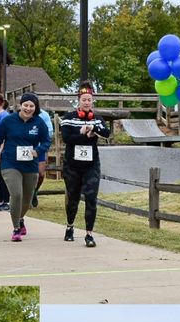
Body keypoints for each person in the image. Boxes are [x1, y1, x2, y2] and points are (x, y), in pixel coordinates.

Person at [0, 92, 51, 242]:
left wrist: (38, 151)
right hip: (10, 162)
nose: (28, 109)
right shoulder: (9, 121)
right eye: (26, 105)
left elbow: (47, 141)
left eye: (31, 106)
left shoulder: (39, 123)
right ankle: (16, 228)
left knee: (27, 199)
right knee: (16, 195)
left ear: (36, 108)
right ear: (20, 106)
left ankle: (21, 218)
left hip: (30, 164)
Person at [61, 85, 111, 247]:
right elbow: (67, 139)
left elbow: (106, 133)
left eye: (89, 100)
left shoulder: (96, 118)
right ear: (79, 101)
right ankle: (70, 226)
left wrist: (94, 128)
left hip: (91, 165)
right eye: (84, 100)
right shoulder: (69, 117)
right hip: (72, 165)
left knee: (91, 199)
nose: (87, 103)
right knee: (73, 198)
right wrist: (83, 133)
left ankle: (89, 234)